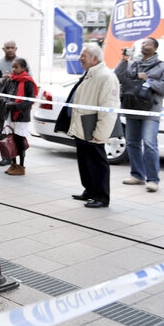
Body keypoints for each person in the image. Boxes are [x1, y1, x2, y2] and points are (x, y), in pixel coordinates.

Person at [54, 43, 120, 208]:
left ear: (95, 58)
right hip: (82, 127)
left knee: (97, 162)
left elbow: (109, 108)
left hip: (93, 128)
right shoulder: (89, 74)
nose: (79, 58)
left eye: (83, 55)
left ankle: (102, 197)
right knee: (85, 161)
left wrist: (101, 132)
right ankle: (90, 191)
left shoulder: (106, 76)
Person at [114, 37, 164, 193]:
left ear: (155, 48)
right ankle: (137, 175)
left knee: (149, 144)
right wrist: (124, 60)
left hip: (150, 111)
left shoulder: (161, 66)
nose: (144, 45)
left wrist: (148, 79)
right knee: (132, 143)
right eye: (143, 43)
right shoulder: (133, 64)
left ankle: (153, 180)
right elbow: (117, 77)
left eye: (147, 43)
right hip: (132, 108)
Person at [0, 58, 36, 175]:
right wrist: (6, 102)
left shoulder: (28, 82)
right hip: (9, 114)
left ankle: (21, 166)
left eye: (16, 67)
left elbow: (30, 101)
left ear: (23, 68)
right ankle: (13, 164)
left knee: (19, 141)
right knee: (10, 139)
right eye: (13, 67)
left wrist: (15, 106)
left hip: (21, 116)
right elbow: (0, 95)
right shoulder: (10, 80)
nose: (13, 69)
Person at [0, 40, 19, 166]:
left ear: (16, 48)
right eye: (7, 48)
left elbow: (30, 78)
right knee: (1, 129)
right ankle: (5, 156)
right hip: (1, 102)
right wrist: (2, 80)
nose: (10, 50)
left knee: (16, 130)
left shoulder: (22, 62)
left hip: (17, 102)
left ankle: (16, 156)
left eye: (12, 48)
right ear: (3, 49)